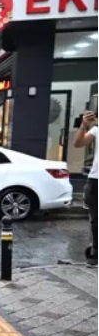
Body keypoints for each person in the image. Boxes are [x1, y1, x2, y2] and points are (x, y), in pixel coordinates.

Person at [73, 111, 98, 267]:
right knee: (95, 219)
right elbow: (78, 143)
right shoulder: (96, 129)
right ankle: (96, 251)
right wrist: (83, 126)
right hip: (96, 179)